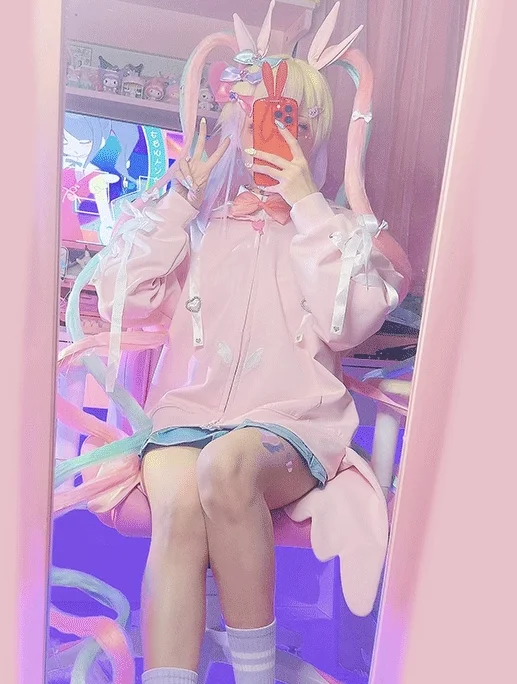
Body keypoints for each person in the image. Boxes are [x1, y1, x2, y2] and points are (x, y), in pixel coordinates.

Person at [55, 3, 411, 683]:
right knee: (179, 498)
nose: (273, 134)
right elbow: (125, 296)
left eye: (291, 119)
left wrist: (306, 203)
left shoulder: (335, 230)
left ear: (314, 131)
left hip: (289, 424)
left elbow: (348, 323)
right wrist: (181, 198)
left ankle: (254, 676)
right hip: (183, 418)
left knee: (225, 466)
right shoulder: (195, 224)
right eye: (255, 116)